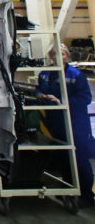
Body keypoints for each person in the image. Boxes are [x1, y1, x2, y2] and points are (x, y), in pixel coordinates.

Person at [37, 43, 94, 207]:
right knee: (63, 157)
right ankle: (69, 188)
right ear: (50, 56)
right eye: (54, 54)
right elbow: (38, 88)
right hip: (56, 121)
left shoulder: (75, 75)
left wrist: (62, 101)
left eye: (61, 54)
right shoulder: (45, 74)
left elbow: (85, 98)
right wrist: (40, 95)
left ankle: (86, 195)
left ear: (67, 56)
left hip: (75, 122)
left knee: (79, 157)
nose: (58, 57)